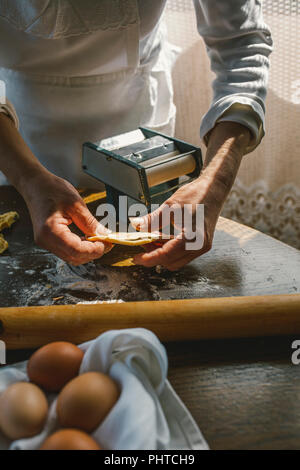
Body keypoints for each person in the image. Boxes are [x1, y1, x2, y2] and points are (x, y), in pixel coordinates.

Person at [0, 0, 272, 270]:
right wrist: (27, 177)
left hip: (138, 124)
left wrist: (217, 181)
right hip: (15, 138)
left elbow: (242, 46)